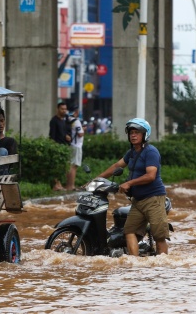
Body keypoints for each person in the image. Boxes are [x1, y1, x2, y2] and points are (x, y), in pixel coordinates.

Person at [97, 118, 169, 256]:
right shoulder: (132, 153)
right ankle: (134, 264)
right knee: (129, 231)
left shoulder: (151, 151)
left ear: (145, 135)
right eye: (131, 133)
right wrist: (98, 179)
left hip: (153, 199)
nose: (133, 135)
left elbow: (150, 175)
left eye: (137, 132)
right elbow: (116, 166)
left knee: (159, 236)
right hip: (138, 201)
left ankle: (162, 268)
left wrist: (129, 183)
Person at [49, 102, 71, 190]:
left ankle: (59, 184)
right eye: (62, 109)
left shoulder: (65, 120)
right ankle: (56, 185)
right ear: (58, 109)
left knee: (63, 167)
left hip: (64, 147)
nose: (64, 111)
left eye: (65, 109)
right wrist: (54, 146)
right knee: (57, 167)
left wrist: (68, 136)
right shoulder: (54, 120)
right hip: (57, 146)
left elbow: (66, 132)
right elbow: (52, 135)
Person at [65, 106, 85, 191]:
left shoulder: (68, 120)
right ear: (76, 112)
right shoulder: (76, 121)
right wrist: (83, 130)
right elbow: (80, 134)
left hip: (71, 145)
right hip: (77, 145)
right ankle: (71, 186)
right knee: (74, 166)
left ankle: (68, 185)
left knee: (70, 165)